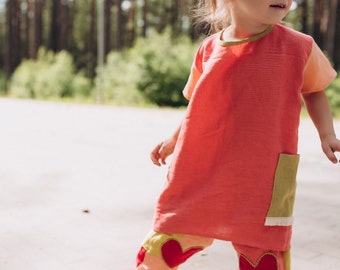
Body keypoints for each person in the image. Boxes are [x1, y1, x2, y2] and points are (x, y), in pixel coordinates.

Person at [135, 0, 340, 269]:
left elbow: (313, 90)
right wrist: (174, 139)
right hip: (204, 169)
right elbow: (198, 103)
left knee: (263, 253)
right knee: (165, 241)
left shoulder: (299, 46)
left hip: (263, 176)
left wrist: (327, 134)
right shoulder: (209, 49)